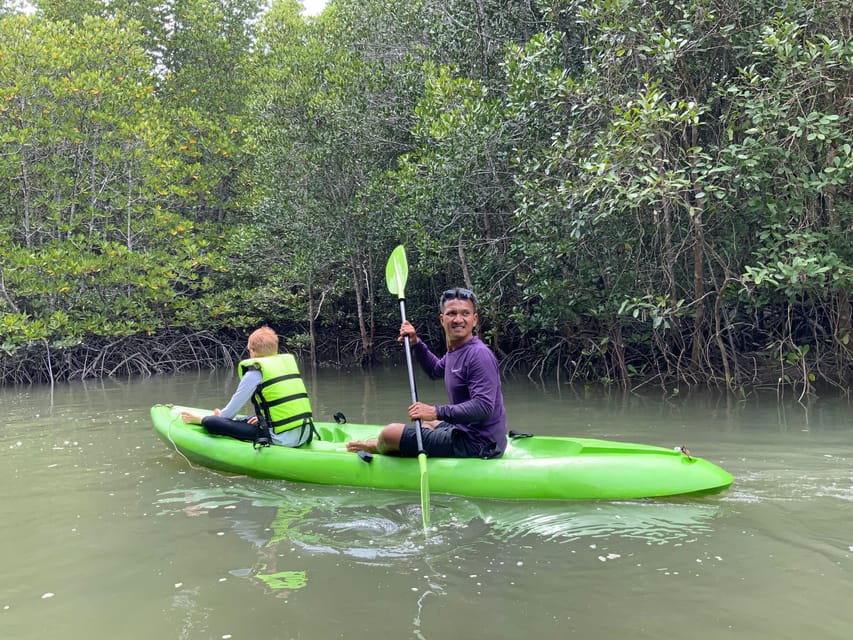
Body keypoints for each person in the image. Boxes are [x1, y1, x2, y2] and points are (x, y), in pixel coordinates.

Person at [347, 287, 507, 458]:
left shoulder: (478, 355)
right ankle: (409, 446)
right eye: (451, 313)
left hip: (480, 444)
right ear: (442, 319)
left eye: (465, 313)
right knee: (429, 424)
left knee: (390, 433)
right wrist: (416, 343)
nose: (458, 319)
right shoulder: (457, 350)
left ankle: (379, 446)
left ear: (474, 320)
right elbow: (435, 370)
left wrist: (436, 411)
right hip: (465, 431)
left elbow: (484, 406)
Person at [181, 326, 316, 447]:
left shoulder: (255, 373)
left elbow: (229, 414)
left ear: (253, 352)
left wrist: (217, 416)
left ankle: (198, 419)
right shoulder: (285, 366)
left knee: (212, 422)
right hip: (305, 434)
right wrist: (264, 418)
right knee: (248, 418)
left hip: (282, 439)